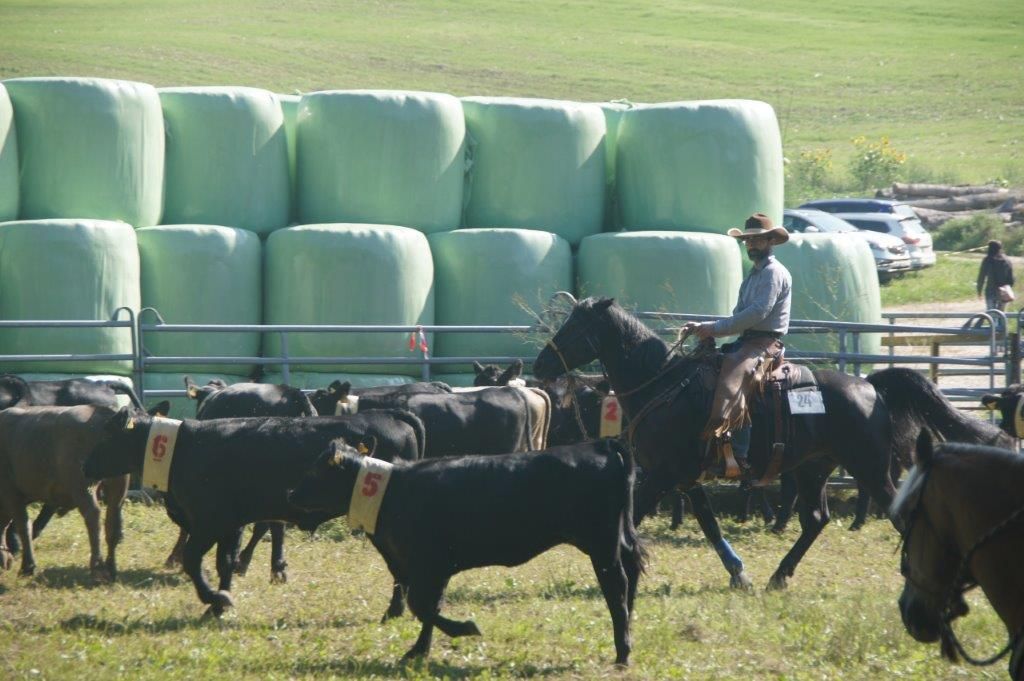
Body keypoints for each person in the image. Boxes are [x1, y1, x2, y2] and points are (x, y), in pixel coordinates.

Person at [682, 213, 792, 476]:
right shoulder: (753, 276)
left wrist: (714, 328)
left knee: (734, 375)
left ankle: (740, 455)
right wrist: (705, 327)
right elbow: (739, 315)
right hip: (748, 341)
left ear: (770, 241)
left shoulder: (773, 273)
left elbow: (757, 313)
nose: (751, 244)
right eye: (748, 240)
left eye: (757, 239)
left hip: (765, 343)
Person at [976, 239, 1014, 326]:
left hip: (990, 291)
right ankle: (1002, 332)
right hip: (1004, 292)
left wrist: (979, 291)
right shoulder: (1007, 260)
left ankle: (993, 331)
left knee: (992, 315)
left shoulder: (987, 260)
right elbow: (1011, 278)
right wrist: (1007, 288)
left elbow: (981, 277)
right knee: (1002, 315)